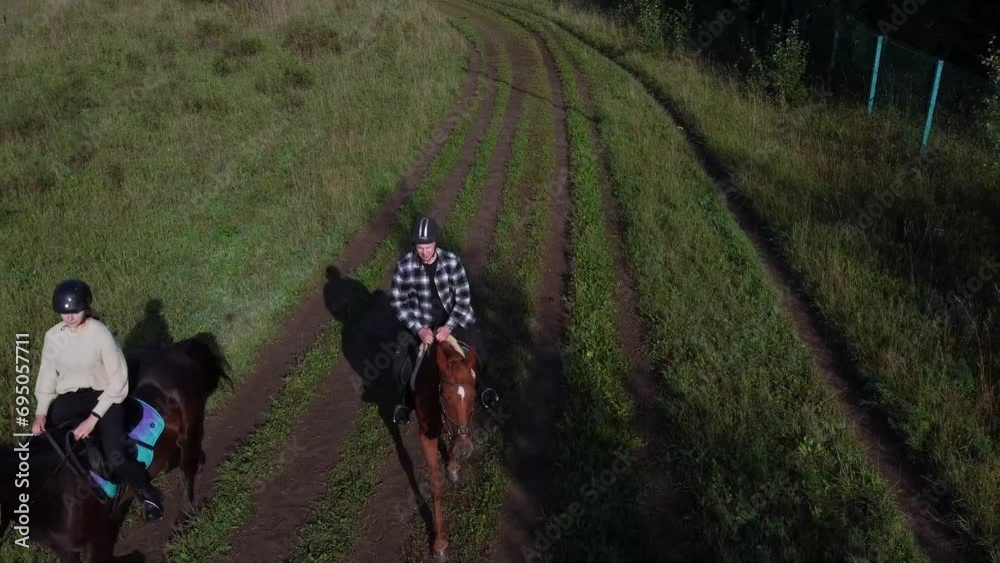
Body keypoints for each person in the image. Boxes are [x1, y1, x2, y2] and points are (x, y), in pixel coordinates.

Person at [31, 279, 164, 522]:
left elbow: (118, 379)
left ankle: (148, 493)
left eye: (75, 311)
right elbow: (47, 373)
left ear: (86, 308)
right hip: (70, 397)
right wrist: (40, 411)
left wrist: (93, 420)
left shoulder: (99, 333)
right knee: (42, 443)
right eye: (64, 312)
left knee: (116, 453)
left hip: (106, 396)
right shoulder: (53, 337)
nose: (69, 317)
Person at [389, 216, 498, 424]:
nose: (424, 251)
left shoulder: (451, 261)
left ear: (435, 243)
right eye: (420, 247)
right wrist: (419, 329)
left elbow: (464, 297)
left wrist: (448, 327)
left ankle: (485, 388)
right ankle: (403, 403)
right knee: (398, 363)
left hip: (453, 319)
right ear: (414, 245)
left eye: (428, 246)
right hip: (420, 323)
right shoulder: (403, 266)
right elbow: (397, 302)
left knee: (481, 351)